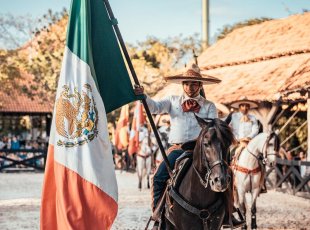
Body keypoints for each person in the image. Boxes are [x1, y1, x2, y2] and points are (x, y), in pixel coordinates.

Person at [135, 64, 244, 228]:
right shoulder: (172, 101)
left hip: (202, 150)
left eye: (193, 83)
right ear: (182, 84)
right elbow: (155, 107)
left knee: (227, 174)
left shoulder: (209, 106)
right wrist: (143, 96)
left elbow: (213, 128)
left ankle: (229, 214)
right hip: (177, 148)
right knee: (158, 177)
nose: (189, 87)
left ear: (200, 85)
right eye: (186, 83)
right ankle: (158, 215)